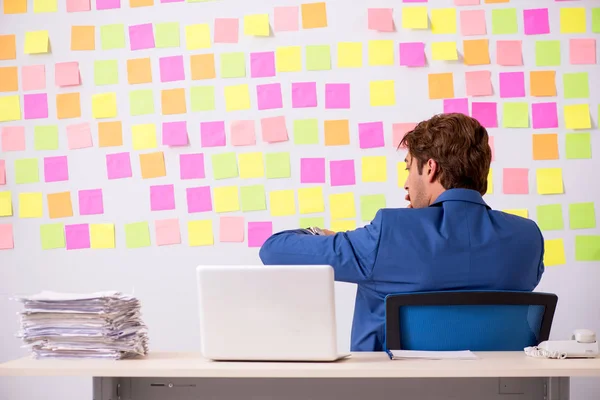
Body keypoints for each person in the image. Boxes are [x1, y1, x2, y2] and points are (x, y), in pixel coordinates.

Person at [259, 113, 545, 352]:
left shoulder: (389, 234)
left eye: (409, 168)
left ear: (430, 168)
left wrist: (325, 235)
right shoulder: (527, 238)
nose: (406, 184)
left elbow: (274, 250)